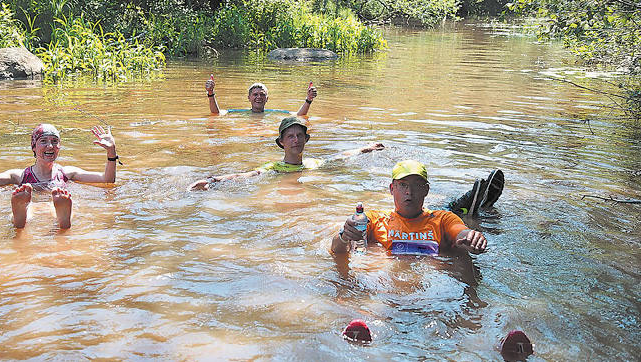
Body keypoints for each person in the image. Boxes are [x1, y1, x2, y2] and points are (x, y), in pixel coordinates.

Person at [0, 120, 120, 230]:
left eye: (55, 141)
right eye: (43, 141)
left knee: (56, 205)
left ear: (59, 147)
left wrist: (111, 151)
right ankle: (21, 215)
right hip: (33, 203)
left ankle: (63, 217)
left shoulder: (67, 173)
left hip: (53, 204)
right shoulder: (20, 176)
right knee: (31, 208)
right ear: (34, 147)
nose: (50, 145)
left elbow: (107, 180)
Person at [331, 160, 503, 256]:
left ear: (426, 189)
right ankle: (465, 206)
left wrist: (472, 237)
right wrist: (345, 236)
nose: (409, 192)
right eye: (403, 185)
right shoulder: (374, 219)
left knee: (453, 215)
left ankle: (464, 208)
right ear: (392, 189)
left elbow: (460, 232)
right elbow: (336, 249)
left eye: (417, 185)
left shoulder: (443, 219)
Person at [188, 116, 383, 190]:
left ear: (306, 140)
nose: (296, 140)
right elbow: (246, 175)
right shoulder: (274, 168)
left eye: (300, 136)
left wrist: (368, 148)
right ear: (281, 142)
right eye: (290, 136)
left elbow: (342, 155)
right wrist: (214, 180)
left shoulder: (314, 163)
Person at [205, 74, 317, 115]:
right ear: (249, 98)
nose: (259, 97)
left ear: (267, 98)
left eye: (262, 95)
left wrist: (309, 99)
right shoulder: (239, 113)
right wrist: (211, 93)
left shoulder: (275, 113)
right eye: (255, 95)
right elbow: (216, 113)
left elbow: (299, 115)